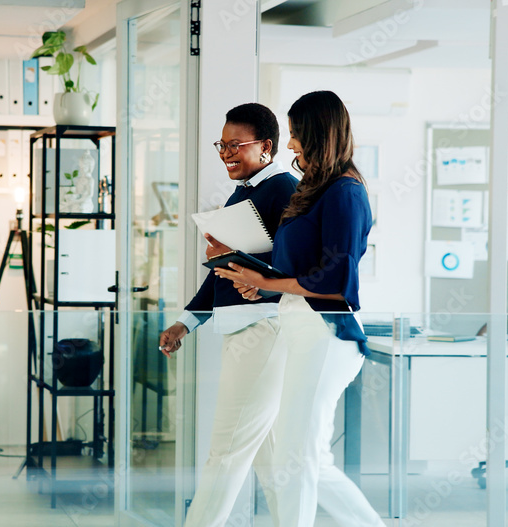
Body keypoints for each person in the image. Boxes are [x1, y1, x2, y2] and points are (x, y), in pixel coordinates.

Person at [214, 90, 385, 527]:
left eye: (296, 135)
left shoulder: (347, 193)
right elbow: (296, 269)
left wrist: (266, 281)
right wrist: (262, 286)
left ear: (320, 135)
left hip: (328, 335)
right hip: (302, 330)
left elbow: (334, 281)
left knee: (296, 455)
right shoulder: (317, 189)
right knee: (308, 457)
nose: (291, 145)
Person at [158, 102, 297, 526]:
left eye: (236, 145)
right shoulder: (247, 190)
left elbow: (292, 268)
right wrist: (187, 320)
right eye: (222, 145)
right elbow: (227, 271)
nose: (226, 154)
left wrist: (237, 260)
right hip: (246, 330)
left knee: (227, 447)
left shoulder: (283, 189)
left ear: (266, 147)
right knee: (268, 458)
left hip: (265, 329)